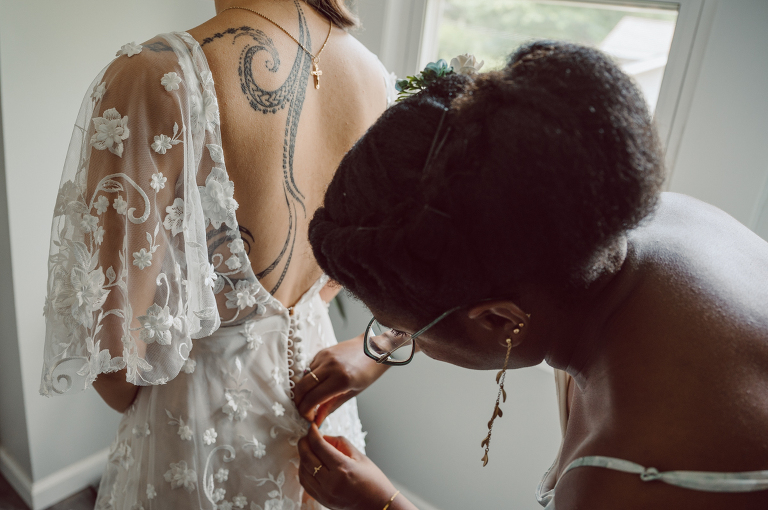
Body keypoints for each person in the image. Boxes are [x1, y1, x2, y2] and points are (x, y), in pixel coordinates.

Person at [292, 41, 768, 510]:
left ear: (500, 320)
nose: (390, 340)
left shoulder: (626, 481)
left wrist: (385, 505)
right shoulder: (634, 222)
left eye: (397, 329)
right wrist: (387, 344)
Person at [40, 1, 395, 508]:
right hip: (325, 420)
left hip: (196, 433)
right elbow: (346, 273)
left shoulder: (156, 75)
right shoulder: (375, 78)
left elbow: (115, 364)